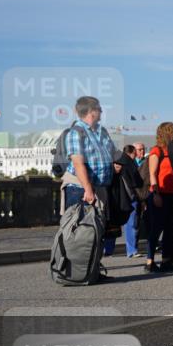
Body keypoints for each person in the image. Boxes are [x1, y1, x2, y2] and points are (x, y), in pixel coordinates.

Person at [61, 95, 118, 281]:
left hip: (99, 187)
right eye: (99, 109)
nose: (101, 112)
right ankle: (74, 273)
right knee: (79, 233)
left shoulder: (100, 132)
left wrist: (115, 165)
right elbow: (78, 164)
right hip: (81, 188)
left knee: (96, 232)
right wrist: (88, 189)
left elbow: (112, 153)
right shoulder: (76, 132)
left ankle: (93, 271)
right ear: (91, 111)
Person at [146, 122, 173, 272]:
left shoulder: (172, 151)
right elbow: (152, 174)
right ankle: (150, 261)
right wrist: (155, 194)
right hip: (160, 194)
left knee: (169, 229)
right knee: (155, 229)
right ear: (167, 133)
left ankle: (166, 261)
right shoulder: (157, 151)